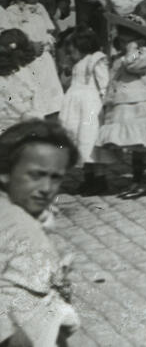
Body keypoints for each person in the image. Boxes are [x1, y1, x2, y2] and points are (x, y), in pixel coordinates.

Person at [0, 120, 81, 346]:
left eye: (56, 178)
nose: (47, 188)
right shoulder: (16, 223)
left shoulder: (18, 212)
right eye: (36, 175)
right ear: (5, 172)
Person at [96, 14, 146, 199]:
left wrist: (132, 48)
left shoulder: (141, 54)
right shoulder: (121, 56)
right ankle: (137, 179)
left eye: (126, 35)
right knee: (136, 146)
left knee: (144, 144)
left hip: (140, 105)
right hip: (126, 105)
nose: (121, 37)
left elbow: (132, 64)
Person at [57, 27, 109, 195]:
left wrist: (106, 102)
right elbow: (67, 85)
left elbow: (104, 83)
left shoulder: (95, 60)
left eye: (72, 52)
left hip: (90, 108)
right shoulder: (76, 64)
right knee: (81, 142)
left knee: (90, 140)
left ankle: (99, 179)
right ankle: (88, 178)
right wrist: (66, 72)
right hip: (75, 110)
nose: (70, 56)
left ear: (84, 48)